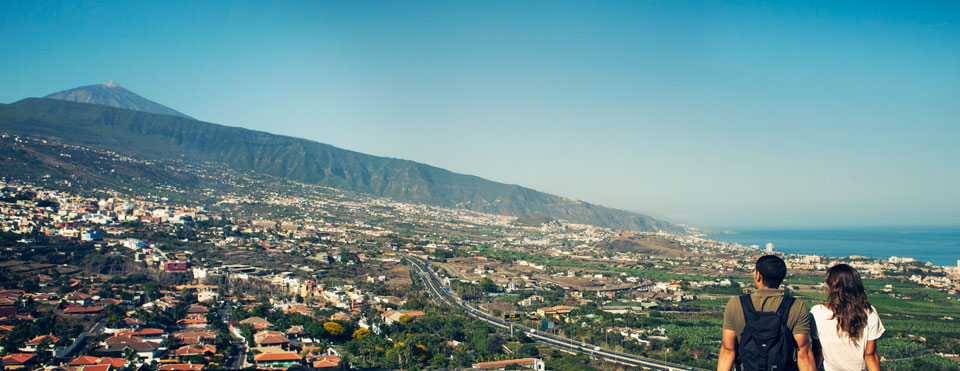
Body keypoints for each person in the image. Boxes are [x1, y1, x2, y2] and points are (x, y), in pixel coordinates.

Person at [718, 255, 816, 371]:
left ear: (757, 275)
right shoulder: (796, 306)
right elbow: (803, 353)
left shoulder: (736, 304)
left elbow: (728, 350)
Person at [809, 264, 884, 371]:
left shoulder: (817, 312)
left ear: (832, 287)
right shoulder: (869, 313)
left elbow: (817, 353)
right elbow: (870, 355)